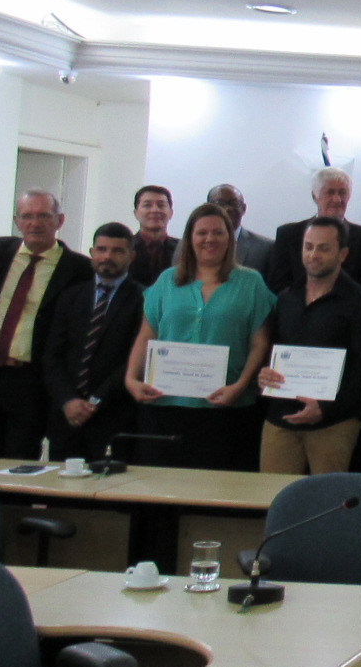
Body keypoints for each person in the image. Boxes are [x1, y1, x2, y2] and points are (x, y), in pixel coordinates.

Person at [124, 201, 276, 470]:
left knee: (217, 493)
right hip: (165, 403)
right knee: (160, 490)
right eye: (201, 232)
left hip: (226, 407)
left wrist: (240, 386)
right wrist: (131, 379)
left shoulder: (251, 282)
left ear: (230, 238)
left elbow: (259, 343)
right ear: (189, 238)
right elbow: (147, 334)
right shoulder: (167, 281)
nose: (210, 239)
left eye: (218, 232)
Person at [0, 190, 93, 459]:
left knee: (19, 462)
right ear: (17, 220)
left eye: (44, 216)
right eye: (27, 216)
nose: (35, 223)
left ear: (59, 220)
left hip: (32, 381)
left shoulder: (80, 268)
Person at [255, 218, 361, 475]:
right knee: (272, 501)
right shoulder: (286, 298)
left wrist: (325, 409)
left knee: (326, 505)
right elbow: (273, 351)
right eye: (308, 247)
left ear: (343, 254)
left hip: (333, 423)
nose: (314, 255)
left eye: (324, 248)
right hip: (281, 418)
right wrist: (264, 373)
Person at [41, 223, 144, 463]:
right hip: (67, 417)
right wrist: (68, 400)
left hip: (113, 417)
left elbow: (135, 359)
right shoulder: (71, 296)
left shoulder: (143, 298)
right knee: (61, 494)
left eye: (117, 251)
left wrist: (95, 402)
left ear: (132, 255)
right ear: (91, 252)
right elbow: (52, 355)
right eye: (101, 249)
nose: (107, 256)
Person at [269, 168, 361, 293]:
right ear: (315, 196)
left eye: (342, 193)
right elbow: (279, 285)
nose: (337, 199)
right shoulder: (288, 235)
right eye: (330, 192)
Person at [208, 184, 275, 275]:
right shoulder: (194, 245)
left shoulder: (266, 248)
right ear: (207, 208)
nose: (228, 208)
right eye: (220, 203)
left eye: (234, 203)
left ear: (244, 208)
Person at [126, 184, 177, 287]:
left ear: (171, 213)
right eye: (147, 205)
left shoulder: (184, 248)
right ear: (136, 213)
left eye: (161, 205)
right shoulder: (125, 247)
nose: (155, 210)